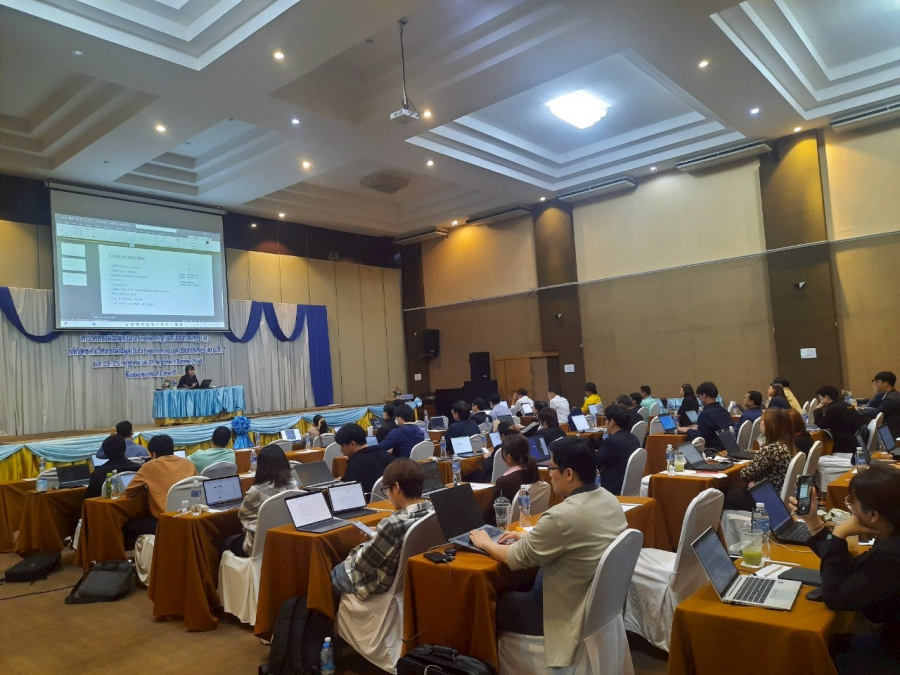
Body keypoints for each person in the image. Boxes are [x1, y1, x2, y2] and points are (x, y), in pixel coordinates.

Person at [470, 437, 628, 669]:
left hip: (557, 609)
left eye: (552, 468)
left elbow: (513, 558)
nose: (549, 474)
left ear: (569, 473)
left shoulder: (560, 516)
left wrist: (484, 542)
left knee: (485, 604)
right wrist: (529, 538)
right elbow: (575, 537)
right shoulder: (609, 498)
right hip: (593, 603)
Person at [787, 464, 900, 674]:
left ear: (873, 515)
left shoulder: (890, 554)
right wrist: (813, 521)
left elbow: (835, 596)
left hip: (892, 651)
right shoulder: (890, 536)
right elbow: (852, 569)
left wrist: (839, 534)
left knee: (806, 652)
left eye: (853, 502)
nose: (851, 508)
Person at [331, 459, 433, 600]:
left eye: (386, 490)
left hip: (379, 585)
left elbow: (361, 565)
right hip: (408, 580)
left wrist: (364, 543)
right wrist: (379, 534)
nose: (387, 495)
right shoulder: (432, 511)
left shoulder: (392, 525)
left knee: (333, 573)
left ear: (396, 488)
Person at [224, 444, 298, 557]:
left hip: (259, 544)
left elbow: (242, 514)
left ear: (261, 466)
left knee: (226, 542)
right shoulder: (293, 485)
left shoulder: (256, 491)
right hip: (287, 538)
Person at [124, 434, 197, 546]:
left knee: (129, 525)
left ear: (153, 454)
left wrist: (149, 489)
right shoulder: (189, 463)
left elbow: (129, 491)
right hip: (191, 518)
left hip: (164, 521)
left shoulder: (149, 466)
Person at [724, 408, 795, 511]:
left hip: (764, 498)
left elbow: (745, 474)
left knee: (722, 495)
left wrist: (751, 480)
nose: (760, 423)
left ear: (770, 425)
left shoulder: (771, 449)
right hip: (774, 494)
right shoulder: (787, 446)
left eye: (762, 420)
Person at [484, 434, 540, 524]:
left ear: (509, 457)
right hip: (532, 523)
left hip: (507, 528)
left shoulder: (504, 482)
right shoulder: (534, 473)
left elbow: (489, 515)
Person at [595, 405, 641, 496]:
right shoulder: (633, 438)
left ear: (612, 422)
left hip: (612, 489)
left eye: (605, 419)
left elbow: (594, 463)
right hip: (628, 486)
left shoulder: (612, 442)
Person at [338, 423, 395, 495]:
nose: (341, 450)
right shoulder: (388, 456)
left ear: (352, 444)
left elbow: (350, 494)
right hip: (392, 499)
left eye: (342, 446)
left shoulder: (354, 465)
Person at [681, 381, 732, 450]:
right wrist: (699, 428)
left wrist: (688, 430)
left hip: (713, 451)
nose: (699, 399)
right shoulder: (724, 411)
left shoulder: (705, 414)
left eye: (699, 397)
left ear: (704, 395)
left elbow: (700, 438)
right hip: (726, 449)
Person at [813, 385, 862, 455]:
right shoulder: (844, 403)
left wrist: (817, 410)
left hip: (844, 445)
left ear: (826, 397)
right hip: (853, 440)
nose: (821, 401)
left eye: (821, 398)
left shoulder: (834, 408)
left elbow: (822, 425)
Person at [861, 371, 900, 438]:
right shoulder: (893, 394)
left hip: (892, 434)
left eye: (877, 382)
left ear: (886, 384)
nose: (875, 384)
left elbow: (876, 413)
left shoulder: (890, 400)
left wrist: (862, 410)